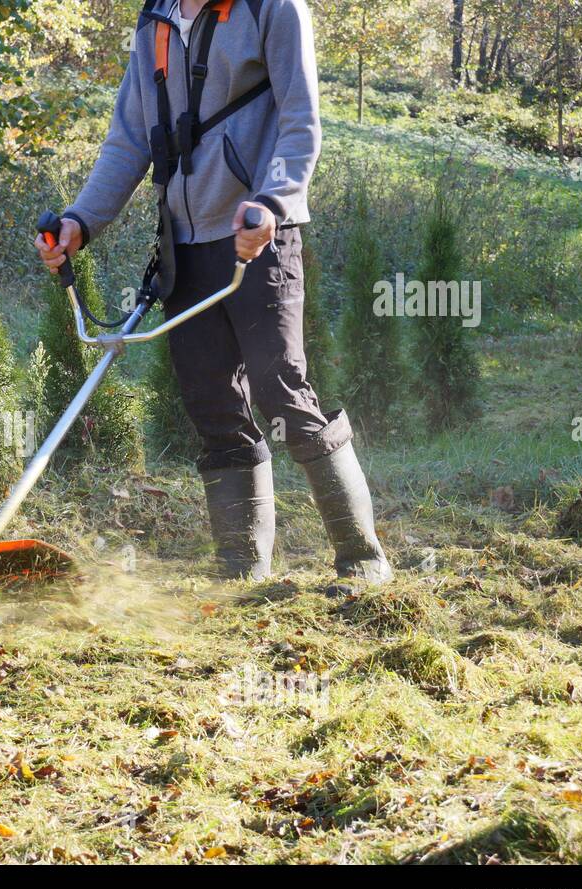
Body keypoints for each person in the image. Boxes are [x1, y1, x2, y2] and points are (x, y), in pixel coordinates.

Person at [37, 0, 391, 589]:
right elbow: (128, 143)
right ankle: (241, 571)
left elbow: (300, 119)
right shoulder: (155, 21)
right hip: (185, 246)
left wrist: (274, 202)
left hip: (258, 232)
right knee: (213, 406)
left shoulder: (271, 9)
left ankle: (361, 559)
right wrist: (81, 222)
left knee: (282, 391)